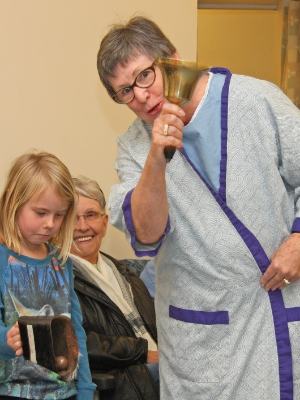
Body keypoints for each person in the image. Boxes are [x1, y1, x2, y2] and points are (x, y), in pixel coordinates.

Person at [96, 16, 300, 399]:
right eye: (124, 91)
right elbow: (146, 232)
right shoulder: (135, 148)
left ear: (172, 59)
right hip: (201, 341)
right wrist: (157, 157)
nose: (139, 95)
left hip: (282, 312)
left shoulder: (254, 99)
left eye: (145, 76)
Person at [0, 151, 96, 400]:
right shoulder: (2, 260)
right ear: (13, 202)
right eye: (41, 213)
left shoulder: (61, 262)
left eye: (59, 215)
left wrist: (85, 390)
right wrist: (5, 340)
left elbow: (75, 332)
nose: (50, 224)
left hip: (66, 393)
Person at [69, 175, 159, 400]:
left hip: (159, 362)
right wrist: (142, 353)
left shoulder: (125, 272)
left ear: (105, 222)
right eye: (72, 217)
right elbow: (72, 341)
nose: (82, 226)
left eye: (90, 215)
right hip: (125, 376)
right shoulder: (56, 275)